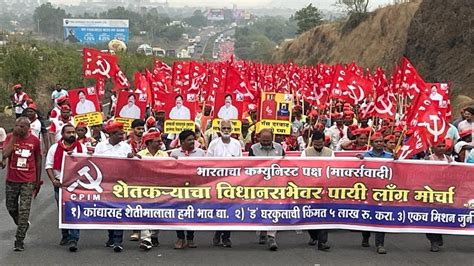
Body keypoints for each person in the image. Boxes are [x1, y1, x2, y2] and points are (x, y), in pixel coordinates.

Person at [2, 117, 42, 251]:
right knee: (11, 207)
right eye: (16, 125)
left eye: (21, 126)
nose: (18, 128)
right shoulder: (10, 137)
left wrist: (37, 180)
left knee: (24, 211)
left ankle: (19, 240)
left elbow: (38, 160)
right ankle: (22, 224)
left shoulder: (34, 141)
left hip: (28, 180)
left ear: (28, 127)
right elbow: (5, 154)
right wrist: (14, 138)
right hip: (12, 180)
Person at [45, 124, 87, 252]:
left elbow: (88, 164)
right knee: (63, 210)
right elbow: (49, 166)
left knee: (75, 210)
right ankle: (65, 235)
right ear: (63, 134)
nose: (71, 135)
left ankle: (74, 238)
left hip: (76, 185)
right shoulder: (54, 148)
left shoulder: (82, 148)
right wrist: (53, 180)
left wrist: (75, 157)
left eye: (73, 132)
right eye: (68, 132)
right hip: (61, 184)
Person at [94, 121, 134, 252]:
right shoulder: (100, 146)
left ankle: (118, 240)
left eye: (123, 133)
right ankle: (111, 237)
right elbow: (95, 163)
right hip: (105, 183)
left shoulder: (126, 147)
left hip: (120, 184)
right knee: (108, 211)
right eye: (119, 134)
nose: (122, 136)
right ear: (111, 134)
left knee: (118, 210)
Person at [248, 128, 285, 251]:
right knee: (261, 208)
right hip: (259, 184)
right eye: (263, 141)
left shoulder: (279, 148)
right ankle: (262, 231)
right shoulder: (253, 149)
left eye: (268, 141)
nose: (265, 143)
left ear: (272, 139)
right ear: (258, 139)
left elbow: (285, 165)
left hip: (275, 184)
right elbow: (250, 167)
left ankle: (271, 236)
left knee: (274, 208)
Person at [207, 120, 242, 247]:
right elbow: (207, 163)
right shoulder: (213, 144)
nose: (226, 130)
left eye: (228, 128)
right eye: (224, 128)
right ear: (219, 129)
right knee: (219, 209)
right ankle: (218, 232)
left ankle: (226, 236)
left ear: (231, 130)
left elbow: (241, 164)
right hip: (216, 182)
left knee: (230, 209)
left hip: (232, 182)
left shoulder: (237, 144)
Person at [357, 132, 392, 254]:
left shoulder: (390, 156)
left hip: (383, 191)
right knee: (367, 215)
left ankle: (380, 244)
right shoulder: (365, 155)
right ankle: (365, 237)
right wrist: (359, 160)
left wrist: (397, 160)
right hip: (367, 191)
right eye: (376, 141)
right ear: (371, 143)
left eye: (381, 141)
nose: (379, 143)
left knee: (380, 216)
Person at [170, 130, 205, 249]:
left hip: (194, 187)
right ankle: (180, 238)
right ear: (182, 142)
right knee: (178, 212)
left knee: (192, 212)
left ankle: (190, 238)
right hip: (178, 187)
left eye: (193, 140)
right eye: (189, 140)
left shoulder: (201, 153)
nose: (192, 142)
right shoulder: (174, 153)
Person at [136, 131, 169, 250]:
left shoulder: (164, 155)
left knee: (158, 212)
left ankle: (153, 235)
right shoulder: (140, 155)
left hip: (161, 187)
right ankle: (146, 239)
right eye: (158, 141)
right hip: (144, 188)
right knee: (144, 212)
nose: (161, 142)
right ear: (149, 143)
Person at [301, 130, 332, 251]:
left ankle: (322, 241)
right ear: (312, 142)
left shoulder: (330, 153)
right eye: (316, 144)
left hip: (325, 189)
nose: (318, 146)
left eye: (320, 144)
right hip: (310, 189)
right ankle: (313, 236)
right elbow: (301, 169)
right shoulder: (306, 152)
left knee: (323, 215)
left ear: (324, 142)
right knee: (310, 215)